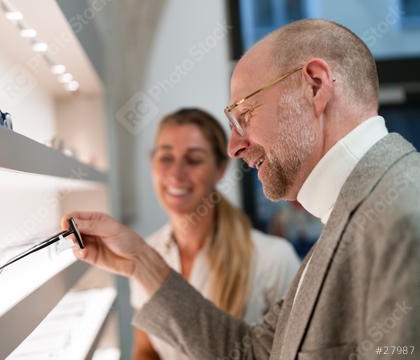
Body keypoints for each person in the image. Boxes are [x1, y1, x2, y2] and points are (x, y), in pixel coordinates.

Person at [62, 19, 420, 359]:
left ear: (315, 85)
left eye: (244, 114)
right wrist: (139, 262)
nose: (234, 146)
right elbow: (254, 354)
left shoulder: (404, 218)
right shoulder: (354, 215)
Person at [131, 108, 299, 360]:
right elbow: (146, 350)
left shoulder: (273, 258)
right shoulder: (146, 254)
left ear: (220, 169)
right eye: (166, 158)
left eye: (193, 159)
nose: (176, 173)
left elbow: (296, 352)